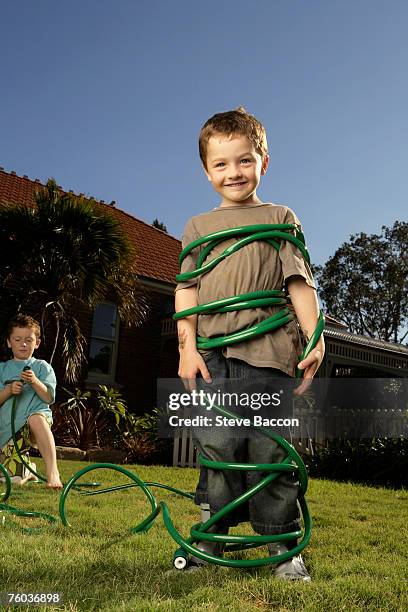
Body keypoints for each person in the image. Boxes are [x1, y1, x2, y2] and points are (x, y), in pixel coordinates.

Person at [174, 107, 325, 580]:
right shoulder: (198, 226)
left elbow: (299, 283)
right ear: (206, 170)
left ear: (264, 162)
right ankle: (211, 537)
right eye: (221, 164)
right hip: (213, 355)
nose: (233, 172)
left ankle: (283, 548)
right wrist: (187, 347)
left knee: (270, 451)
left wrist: (315, 338)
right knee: (216, 447)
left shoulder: (280, 216)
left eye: (244, 160)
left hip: (269, 354)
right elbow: (186, 291)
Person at [0, 314, 63, 489]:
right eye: (18, 339)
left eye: (29, 340)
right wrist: (8, 390)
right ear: (9, 342)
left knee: (36, 418)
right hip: (7, 427)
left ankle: (53, 474)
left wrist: (35, 381)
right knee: (12, 480)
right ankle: (27, 470)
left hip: (32, 425)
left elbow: (48, 398)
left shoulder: (42, 367)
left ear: (37, 343)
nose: (23, 344)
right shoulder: (2, 369)